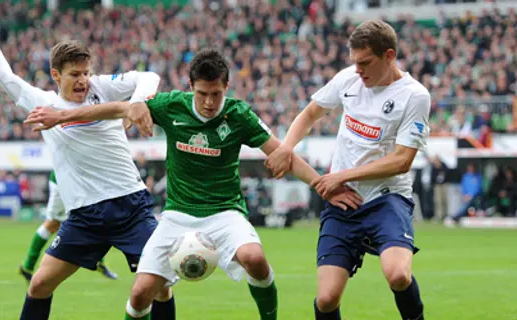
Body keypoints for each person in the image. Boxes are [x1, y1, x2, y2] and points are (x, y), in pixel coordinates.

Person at [25, 48, 363, 320]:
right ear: (191, 87)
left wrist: (323, 184)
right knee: (141, 293)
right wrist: (66, 115)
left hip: (225, 211)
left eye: (216, 94)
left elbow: (281, 154)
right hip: (177, 215)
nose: (209, 102)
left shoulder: (239, 115)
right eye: (202, 94)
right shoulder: (173, 106)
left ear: (226, 88)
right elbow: (115, 108)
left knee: (255, 259)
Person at [0, 1, 174, 319]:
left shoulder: (102, 88)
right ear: (56, 75)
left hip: (130, 207)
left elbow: (149, 76)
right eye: (74, 74)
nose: (83, 80)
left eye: (86, 73)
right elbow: (4, 77)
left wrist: (136, 103)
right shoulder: (44, 104)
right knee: (39, 284)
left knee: (159, 286)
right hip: (85, 217)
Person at [266, 19, 429, 320]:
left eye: (365, 63)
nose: (358, 70)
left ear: (389, 56)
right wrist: (287, 147)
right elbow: (310, 113)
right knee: (326, 300)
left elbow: (402, 160)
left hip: (386, 198)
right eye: (354, 62)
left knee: (398, 276)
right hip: (342, 201)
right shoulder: (348, 79)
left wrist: (342, 176)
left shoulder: (414, 95)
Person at [19, 171, 118, 281]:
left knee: (93, 216)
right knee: (53, 223)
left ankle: (98, 261)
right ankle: (28, 265)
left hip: (82, 179)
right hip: (64, 179)